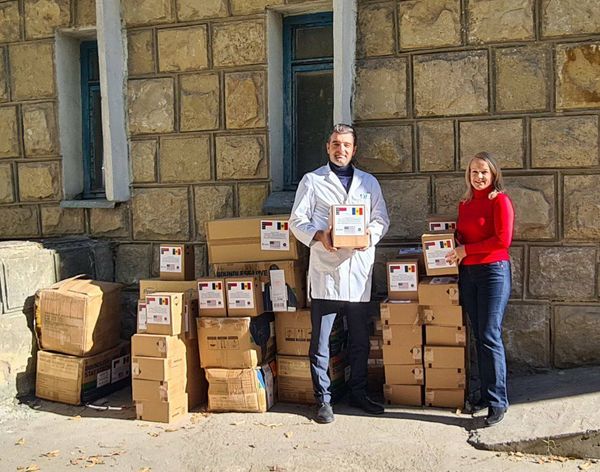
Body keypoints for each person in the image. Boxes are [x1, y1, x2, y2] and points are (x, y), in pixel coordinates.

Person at [289, 123, 390, 424]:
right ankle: (324, 400)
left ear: (354, 149)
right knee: (320, 342)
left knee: (359, 339)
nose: (340, 149)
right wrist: (320, 235)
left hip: (358, 272)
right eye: (335, 144)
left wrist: (366, 237)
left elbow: (381, 220)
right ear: (328, 147)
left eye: (346, 144)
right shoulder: (312, 180)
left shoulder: (369, 183)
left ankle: (358, 392)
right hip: (326, 272)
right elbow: (296, 221)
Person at [445, 151, 514, 427]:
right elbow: (461, 236)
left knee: (489, 334)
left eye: (484, 171)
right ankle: (486, 395)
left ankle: (498, 402)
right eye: (474, 171)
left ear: (493, 174)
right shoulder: (465, 204)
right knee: (478, 335)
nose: (479, 176)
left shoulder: (501, 201)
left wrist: (466, 249)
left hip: (493, 273)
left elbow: (502, 241)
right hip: (469, 273)